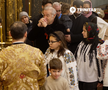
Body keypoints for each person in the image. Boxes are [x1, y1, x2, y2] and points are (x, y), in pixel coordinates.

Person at [0, 21, 46, 90]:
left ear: (10, 34)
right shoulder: (37, 53)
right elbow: (42, 77)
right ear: (25, 34)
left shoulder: (2, 54)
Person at [74, 22, 103, 90]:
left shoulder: (98, 45)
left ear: (91, 32)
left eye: (84, 31)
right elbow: (75, 58)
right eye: (82, 30)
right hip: (80, 78)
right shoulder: (81, 43)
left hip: (91, 79)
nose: (82, 32)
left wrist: (100, 79)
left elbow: (99, 64)